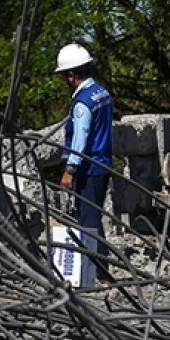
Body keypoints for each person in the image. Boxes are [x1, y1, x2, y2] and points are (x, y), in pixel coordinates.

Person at [55, 42, 115, 284]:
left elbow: (80, 138)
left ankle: (97, 273)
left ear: (71, 75)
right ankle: (99, 269)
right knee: (94, 217)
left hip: (89, 168)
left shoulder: (82, 103)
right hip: (103, 164)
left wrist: (70, 169)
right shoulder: (102, 93)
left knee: (88, 221)